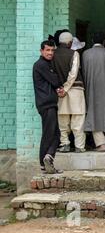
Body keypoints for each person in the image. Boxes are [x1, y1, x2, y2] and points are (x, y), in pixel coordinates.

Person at [82, 32, 105, 152]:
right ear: (104, 42)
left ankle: (100, 144)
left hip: (91, 87)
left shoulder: (85, 54)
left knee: (94, 114)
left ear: (92, 41)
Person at [52, 32, 86, 153]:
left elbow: (52, 74)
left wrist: (60, 89)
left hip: (60, 92)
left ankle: (65, 144)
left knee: (62, 119)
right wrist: (66, 88)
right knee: (78, 119)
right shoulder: (74, 53)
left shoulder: (53, 54)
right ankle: (79, 146)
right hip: (75, 90)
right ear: (70, 42)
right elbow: (73, 73)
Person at [33, 40, 64, 173]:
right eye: (47, 50)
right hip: (47, 105)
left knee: (54, 133)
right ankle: (45, 160)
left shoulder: (46, 64)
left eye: (52, 50)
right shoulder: (41, 65)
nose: (50, 53)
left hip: (48, 104)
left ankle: (46, 161)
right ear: (41, 51)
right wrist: (59, 86)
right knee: (50, 134)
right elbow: (55, 80)